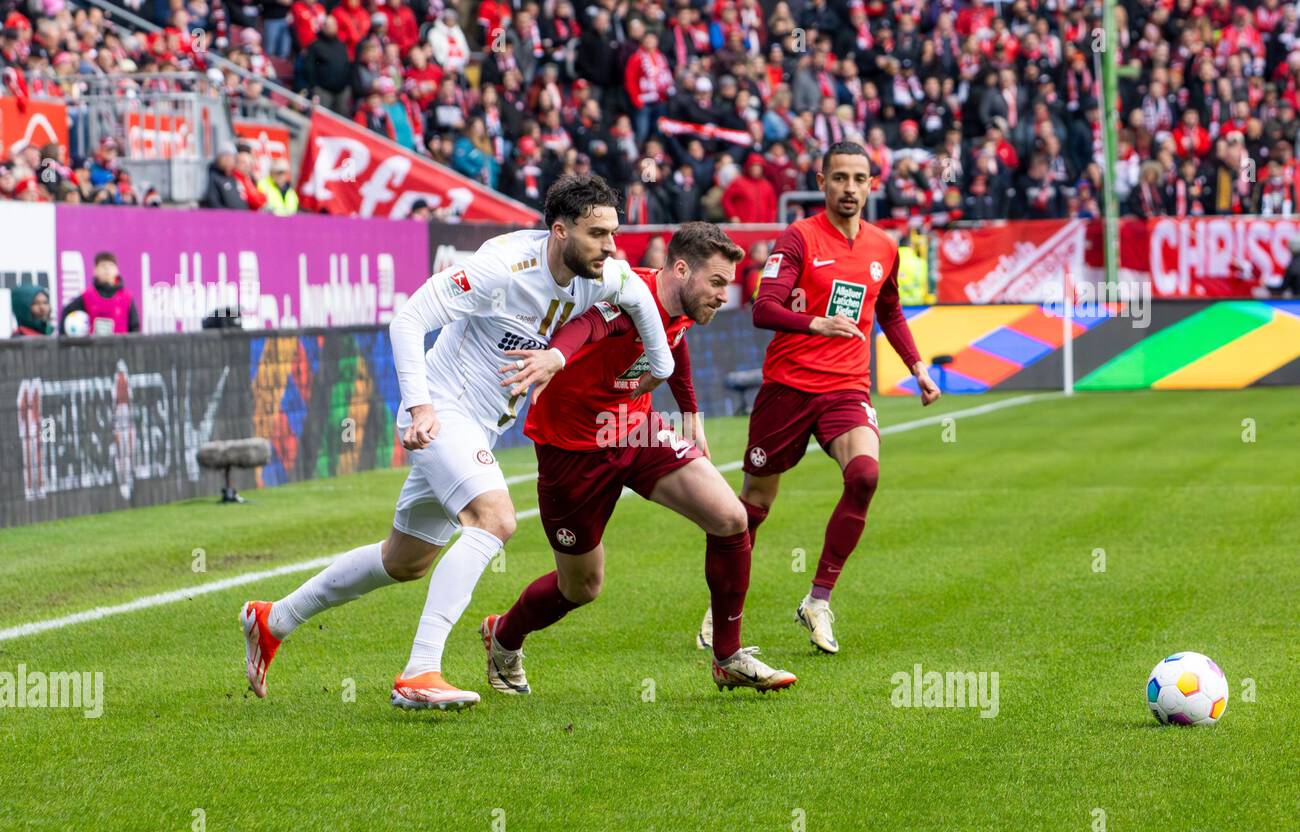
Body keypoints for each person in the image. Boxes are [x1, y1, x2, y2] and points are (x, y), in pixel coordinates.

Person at [239, 174, 674, 710]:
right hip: (442, 413)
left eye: (614, 233)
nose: (611, 247)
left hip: (480, 426)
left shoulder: (609, 274)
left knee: (405, 561)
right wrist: (419, 404)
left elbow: (653, 329)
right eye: (597, 233)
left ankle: (273, 618)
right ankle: (420, 671)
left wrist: (656, 368)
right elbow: (409, 319)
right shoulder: (501, 268)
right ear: (559, 231)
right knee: (495, 519)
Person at [479, 222, 797, 695]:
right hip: (573, 450)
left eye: (726, 286)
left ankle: (728, 657)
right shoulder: (630, 295)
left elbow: (675, 341)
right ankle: (503, 635)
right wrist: (555, 358)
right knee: (581, 587)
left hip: (636, 431)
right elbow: (590, 324)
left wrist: (690, 412)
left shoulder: (680, 303)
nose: (721, 296)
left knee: (731, 518)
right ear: (681, 269)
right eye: (715, 283)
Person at [697, 142, 941, 655]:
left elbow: (890, 310)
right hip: (787, 388)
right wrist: (816, 324)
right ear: (822, 181)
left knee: (865, 476)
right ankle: (721, 610)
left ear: (872, 184)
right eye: (840, 179)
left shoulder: (883, 246)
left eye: (859, 179)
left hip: (846, 388)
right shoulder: (798, 237)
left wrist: (916, 366)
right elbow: (764, 308)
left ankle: (818, 600)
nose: (849, 188)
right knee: (753, 507)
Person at [59, 252, 139, 335]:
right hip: (95, 347)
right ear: (95, 270)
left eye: (111, 266)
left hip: (120, 347)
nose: (107, 270)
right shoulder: (87, 296)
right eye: (103, 266)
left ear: (117, 270)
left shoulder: (126, 297)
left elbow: (135, 327)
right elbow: (67, 312)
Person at [201, 142, 248, 210]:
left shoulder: (236, 177)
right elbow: (212, 201)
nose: (228, 160)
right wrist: (229, 214)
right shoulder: (213, 176)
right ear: (218, 158)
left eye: (231, 156)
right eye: (225, 156)